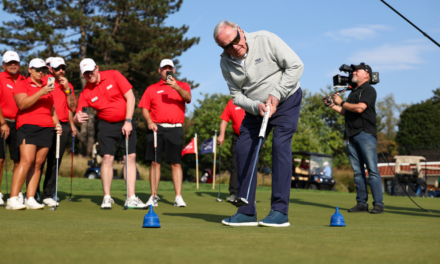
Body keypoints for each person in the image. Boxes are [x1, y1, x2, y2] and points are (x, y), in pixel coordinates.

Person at [214, 21, 304, 227]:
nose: (234, 47)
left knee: (280, 147)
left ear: (240, 30)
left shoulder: (265, 39)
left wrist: (276, 94)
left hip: (286, 99)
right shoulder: (225, 63)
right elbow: (236, 96)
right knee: (244, 148)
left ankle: (280, 211)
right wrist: (255, 106)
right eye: (227, 46)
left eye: (236, 40)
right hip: (256, 109)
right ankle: (246, 212)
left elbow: (296, 65)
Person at [73, 58, 146, 209]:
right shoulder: (86, 92)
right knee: (107, 158)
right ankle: (107, 197)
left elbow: (131, 98)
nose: (89, 74)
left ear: (97, 68)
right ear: (82, 74)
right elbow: (79, 116)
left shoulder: (114, 75)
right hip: (106, 126)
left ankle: (131, 197)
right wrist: (76, 118)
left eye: (91, 71)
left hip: (126, 121)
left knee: (130, 157)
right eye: (85, 73)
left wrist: (128, 121)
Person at [325, 62, 384, 214]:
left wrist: (342, 102)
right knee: (357, 172)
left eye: (357, 70)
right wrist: (333, 105)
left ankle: (378, 204)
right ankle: (361, 203)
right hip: (350, 135)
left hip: (365, 133)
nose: (354, 72)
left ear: (367, 74)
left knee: (372, 170)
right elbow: (347, 112)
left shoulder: (369, 89)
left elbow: (359, 108)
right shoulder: (352, 93)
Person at [6, 58, 62, 210]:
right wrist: (41, 92)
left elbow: (52, 109)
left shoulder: (47, 85)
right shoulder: (22, 84)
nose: (40, 72)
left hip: (47, 127)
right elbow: (22, 104)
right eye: (37, 69)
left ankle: (30, 198)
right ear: (29, 69)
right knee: (27, 161)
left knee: (37, 165)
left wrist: (57, 124)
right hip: (27, 126)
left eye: (43, 70)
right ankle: (12, 199)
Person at [138, 59, 191, 207]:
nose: (167, 71)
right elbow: (144, 108)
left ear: (174, 70)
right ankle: (154, 196)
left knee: (176, 162)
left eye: (170, 68)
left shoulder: (182, 85)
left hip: (175, 128)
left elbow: (188, 98)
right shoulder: (152, 88)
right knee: (155, 162)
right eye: (164, 68)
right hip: (157, 128)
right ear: (159, 71)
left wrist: (176, 87)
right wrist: (149, 121)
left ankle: (178, 197)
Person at [38, 57, 77, 207]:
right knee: (39, 161)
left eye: (63, 68)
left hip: (63, 126)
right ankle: (33, 193)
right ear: (51, 69)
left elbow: (72, 107)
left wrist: (67, 89)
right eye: (58, 68)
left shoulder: (68, 86)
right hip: (44, 124)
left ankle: (48, 194)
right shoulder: (43, 81)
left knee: (55, 161)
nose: (61, 71)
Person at [0, 51, 26, 206]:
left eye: (15, 62)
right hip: (2, 122)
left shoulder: (24, 80)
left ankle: (15, 194)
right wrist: (3, 123)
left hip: (20, 124)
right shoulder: (0, 78)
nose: (13, 65)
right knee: (0, 159)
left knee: (19, 160)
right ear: (4, 65)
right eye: (9, 63)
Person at [217, 99, 245, 203]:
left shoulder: (254, 98)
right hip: (237, 137)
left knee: (250, 166)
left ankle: (248, 194)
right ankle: (234, 193)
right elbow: (224, 119)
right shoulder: (232, 102)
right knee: (235, 165)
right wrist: (221, 134)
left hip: (252, 137)